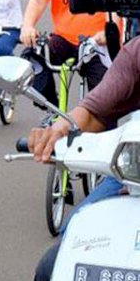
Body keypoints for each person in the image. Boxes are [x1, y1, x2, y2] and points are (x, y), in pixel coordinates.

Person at [27, 20, 137, 280]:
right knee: (61, 255)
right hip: (133, 174)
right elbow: (92, 112)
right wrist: (58, 130)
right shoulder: (136, 53)